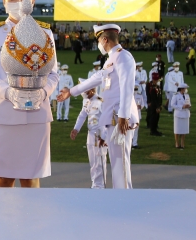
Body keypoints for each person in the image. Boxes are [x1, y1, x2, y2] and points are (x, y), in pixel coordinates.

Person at [0, 0, 58, 188]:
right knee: (3, 180)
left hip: (37, 114)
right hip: (4, 114)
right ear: (3, 1)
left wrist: (43, 93)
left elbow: (53, 74)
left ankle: (31, 222)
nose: (17, 2)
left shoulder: (45, 33)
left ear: (33, 2)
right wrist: (8, 92)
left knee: (30, 179)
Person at [59, 24, 138, 189]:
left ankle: (125, 201)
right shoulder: (111, 60)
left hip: (119, 118)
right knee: (116, 162)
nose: (99, 45)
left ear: (105, 39)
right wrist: (71, 91)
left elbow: (127, 86)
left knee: (121, 163)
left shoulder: (123, 57)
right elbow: (96, 78)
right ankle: (120, 198)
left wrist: (124, 116)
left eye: (99, 41)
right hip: (112, 118)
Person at [71, 83, 107, 188]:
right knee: (93, 163)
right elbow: (82, 115)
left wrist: (104, 137)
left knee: (99, 161)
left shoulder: (100, 102)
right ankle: (95, 184)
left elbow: (106, 121)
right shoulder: (87, 102)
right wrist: (76, 129)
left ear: (91, 90)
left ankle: (100, 186)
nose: (84, 94)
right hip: (90, 134)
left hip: (99, 136)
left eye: (85, 92)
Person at [171, 83, 191, 149]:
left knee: (184, 130)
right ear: (181, 89)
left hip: (185, 114)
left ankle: (182, 143)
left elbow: (189, 103)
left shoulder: (187, 95)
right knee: (177, 130)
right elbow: (173, 105)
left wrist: (188, 106)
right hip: (178, 114)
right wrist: (182, 107)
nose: (185, 90)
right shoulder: (176, 95)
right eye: (184, 88)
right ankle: (177, 143)